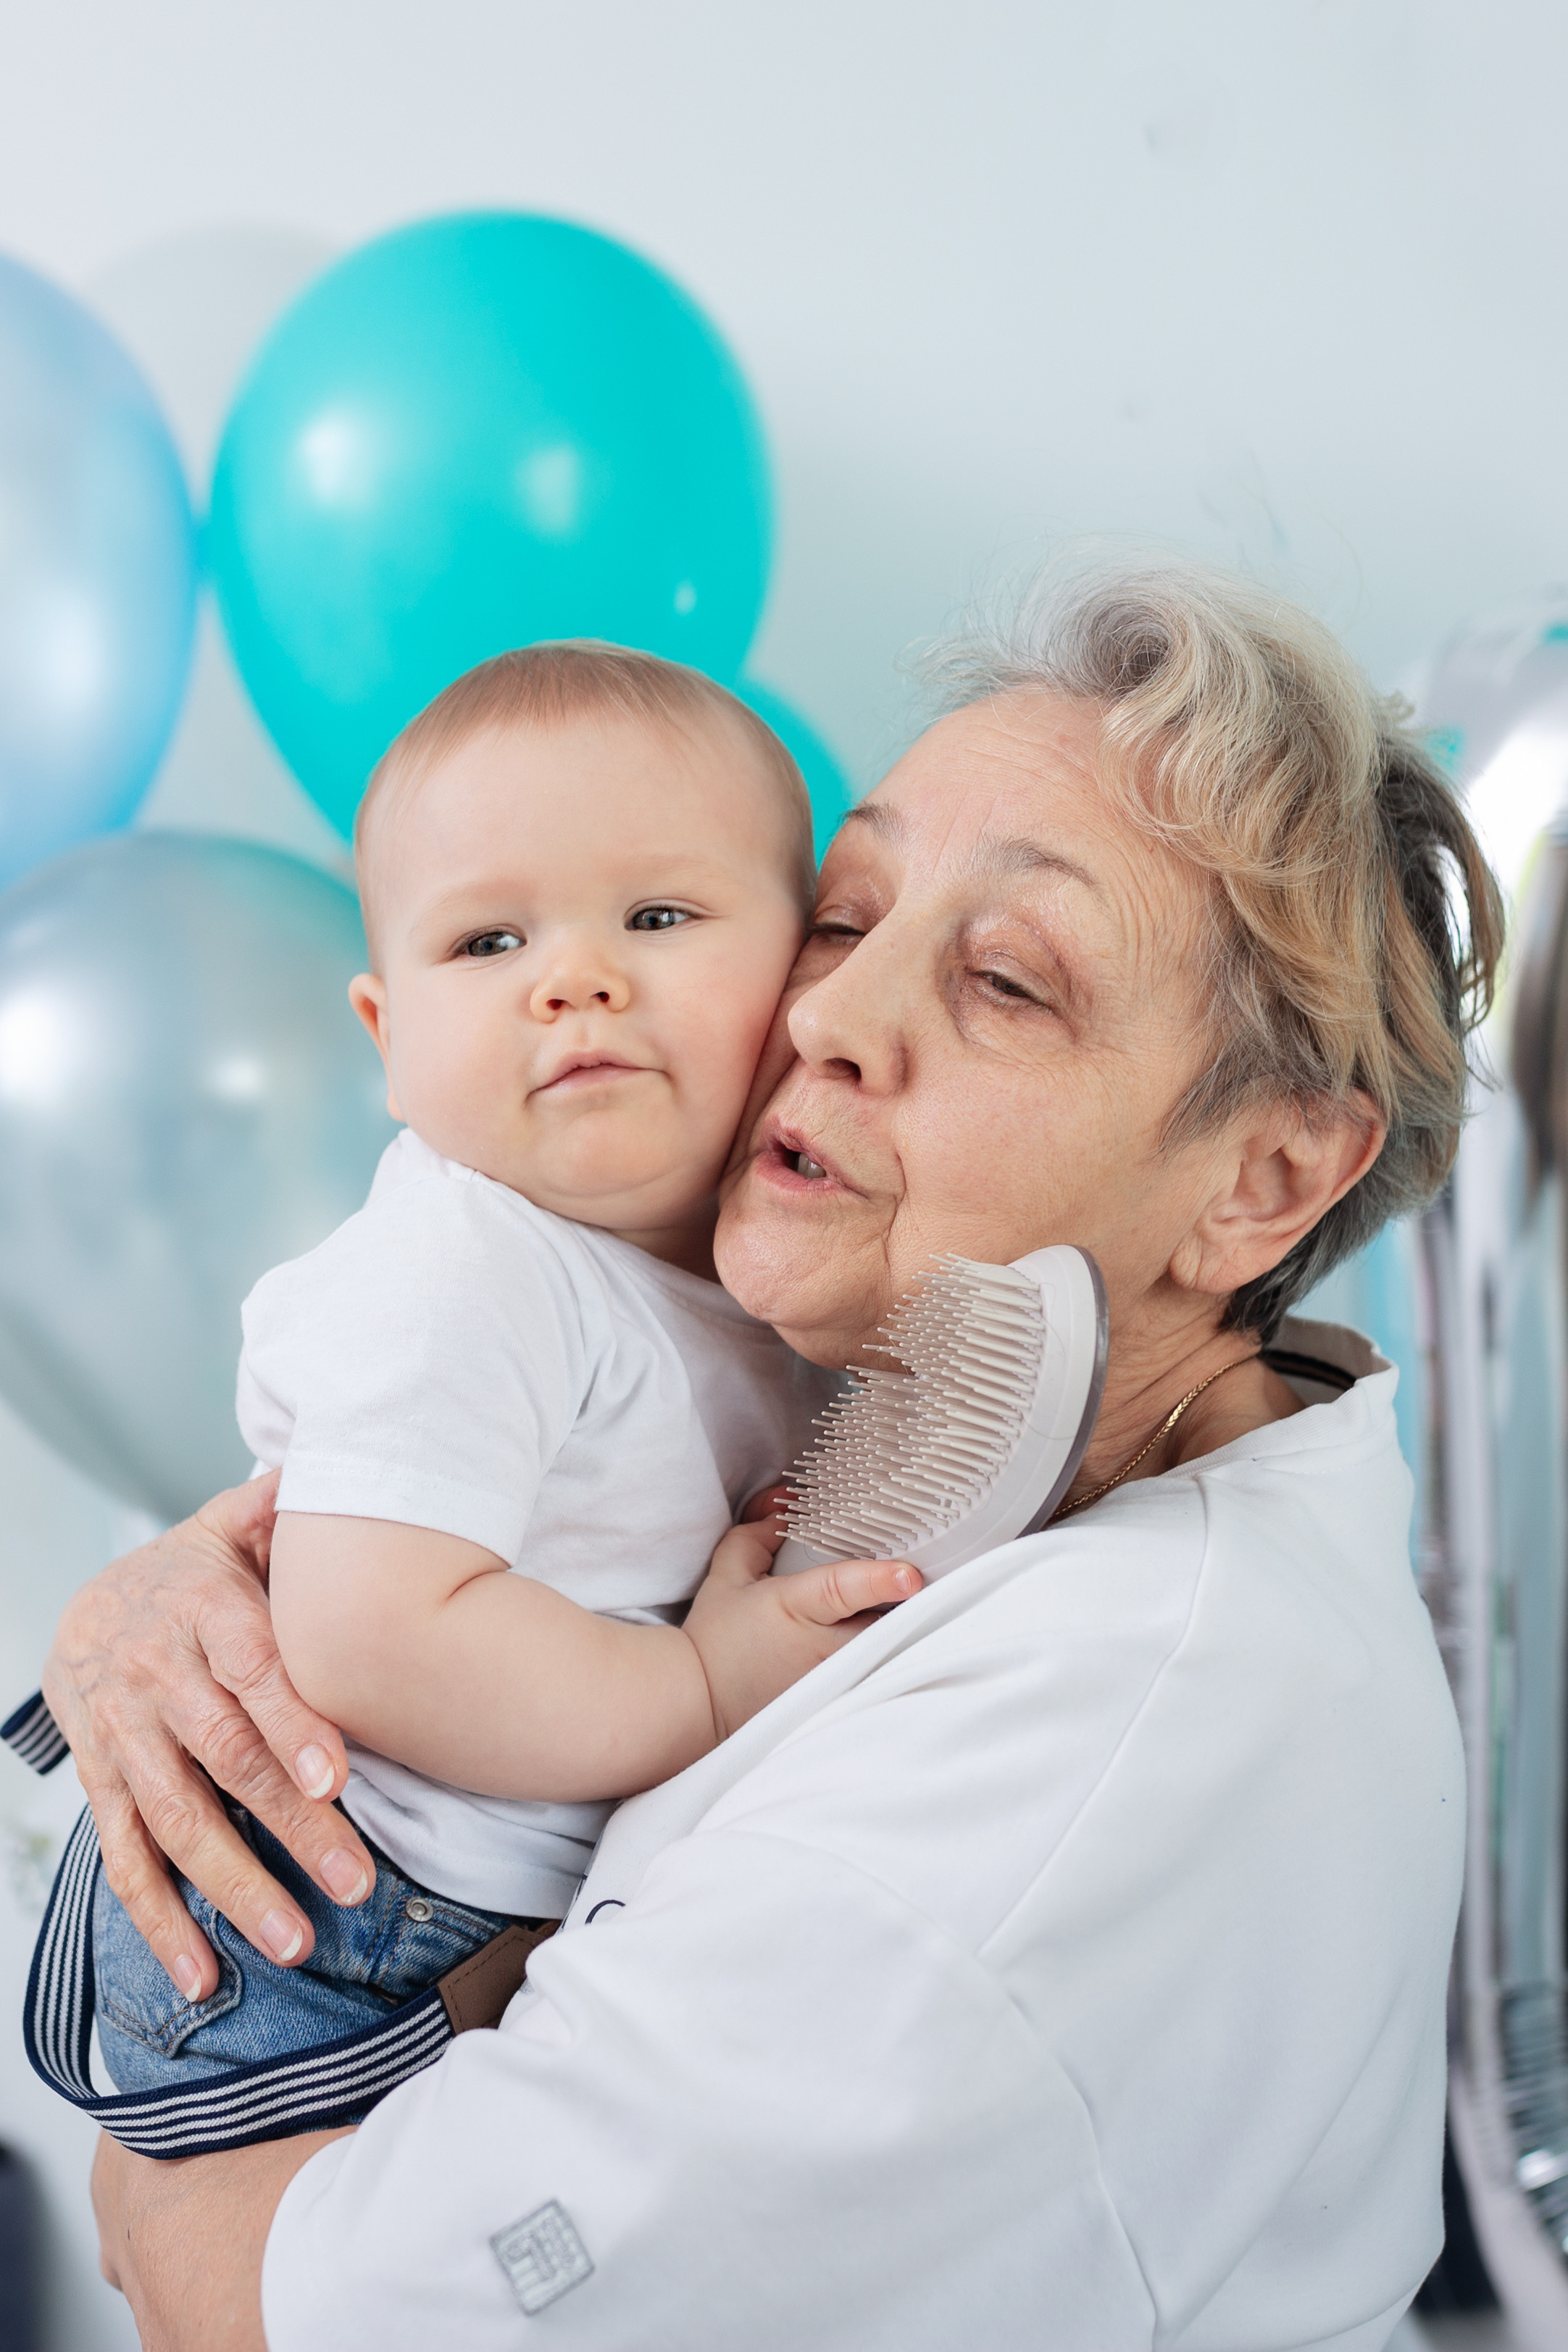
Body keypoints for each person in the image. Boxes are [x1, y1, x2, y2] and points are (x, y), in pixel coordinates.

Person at [55, 562, 1501, 2349]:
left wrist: (154, 2172)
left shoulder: (1080, 1761)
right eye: (841, 915)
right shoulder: (921, 1406)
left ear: (1264, 1178)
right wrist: (208, 1577)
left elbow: (302, 2312)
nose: (829, 1016)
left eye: (999, 980)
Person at [81, 641, 914, 2129]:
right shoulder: (473, 1267)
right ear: (388, 1044)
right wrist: (698, 1687)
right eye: (484, 946)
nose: (574, 979)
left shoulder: (745, 1264)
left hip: (475, 1901)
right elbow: (370, 1636)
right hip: (322, 1930)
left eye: (656, 916)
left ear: (804, 973)